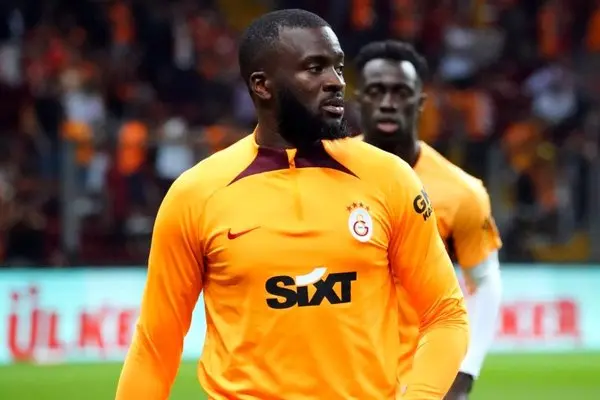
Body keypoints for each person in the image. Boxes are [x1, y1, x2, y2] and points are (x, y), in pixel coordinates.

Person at [115, 10, 469, 400]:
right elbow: (155, 347)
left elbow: (446, 314)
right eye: (315, 69)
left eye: (337, 67)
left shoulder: (390, 178)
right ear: (262, 85)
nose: (336, 82)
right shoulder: (196, 194)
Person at [354, 40, 503, 400]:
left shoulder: (461, 192)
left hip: (418, 381)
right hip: (340, 376)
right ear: (358, 99)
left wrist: (464, 372)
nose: (388, 103)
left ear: (421, 101)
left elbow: (484, 283)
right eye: (376, 91)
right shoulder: (325, 174)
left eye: (401, 92)